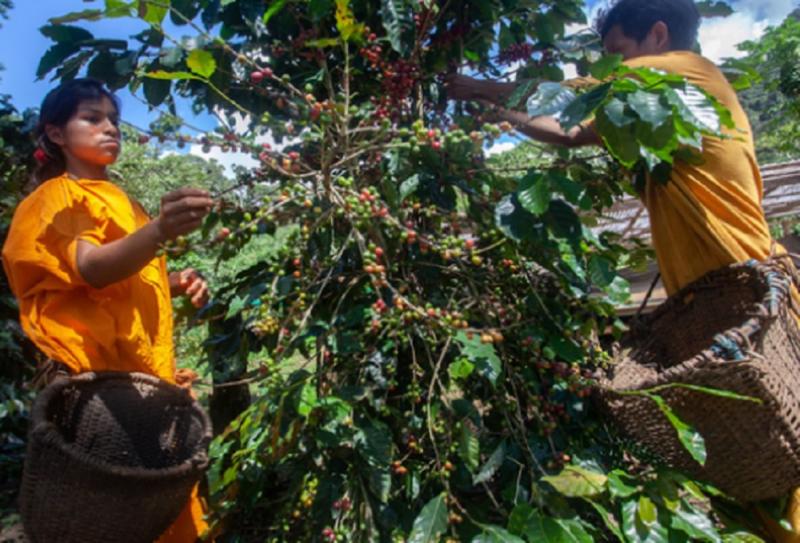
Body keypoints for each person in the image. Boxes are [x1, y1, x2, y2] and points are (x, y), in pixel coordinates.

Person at [447, 0, 800, 540]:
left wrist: (475, 88)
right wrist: (493, 106)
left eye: (618, 54)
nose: (612, 67)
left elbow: (570, 113)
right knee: (756, 470)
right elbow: (577, 128)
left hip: (747, 289)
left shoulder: (685, 71)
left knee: (782, 468)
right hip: (716, 295)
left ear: (657, 36)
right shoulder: (666, 106)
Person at [1, 78, 214, 542]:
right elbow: (91, 269)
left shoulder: (125, 203)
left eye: (114, 120)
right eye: (92, 118)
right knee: (110, 516)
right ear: (56, 134)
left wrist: (175, 280)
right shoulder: (58, 197)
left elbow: (128, 278)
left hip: (143, 378)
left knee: (152, 513)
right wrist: (159, 231)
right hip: (97, 387)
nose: (109, 128)